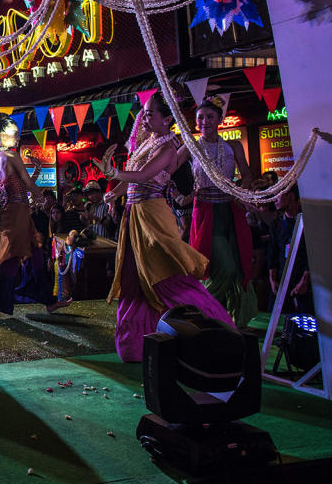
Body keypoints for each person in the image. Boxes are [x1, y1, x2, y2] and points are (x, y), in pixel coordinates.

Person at [94, 93, 233, 362]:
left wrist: (112, 174)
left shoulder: (168, 148)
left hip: (153, 216)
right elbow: (133, 175)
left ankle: (215, 329)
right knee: (136, 278)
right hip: (135, 216)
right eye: (144, 113)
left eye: (149, 114)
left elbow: (145, 176)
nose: (144, 118)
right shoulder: (149, 143)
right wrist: (114, 193)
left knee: (166, 276)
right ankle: (137, 343)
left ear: (167, 119)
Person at [0, 114, 71, 317]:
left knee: (34, 254)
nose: (17, 139)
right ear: (2, 136)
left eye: (17, 135)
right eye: (13, 135)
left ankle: (48, 301)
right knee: (9, 259)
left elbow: (20, 182)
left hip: (16, 211)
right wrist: (44, 200)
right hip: (16, 213)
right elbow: (26, 182)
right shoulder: (10, 156)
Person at [177, 96, 256, 327]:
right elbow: (169, 166)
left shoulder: (233, 146)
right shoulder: (192, 145)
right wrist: (173, 192)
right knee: (225, 268)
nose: (204, 121)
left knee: (238, 266)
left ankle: (232, 320)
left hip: (231, 210)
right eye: (200, 117)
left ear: (220, 119)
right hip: (206, 213)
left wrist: (242, 193)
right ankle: (197, 311)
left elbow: (247, 175)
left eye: (210, 117)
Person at [268, 186, 312, 313]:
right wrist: (272, 279)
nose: (275, 200)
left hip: (303, 278)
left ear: (291, 196)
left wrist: (305, 280)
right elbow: (273, 253)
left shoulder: (307, 222)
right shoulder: (276, 224)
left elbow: (312, 255)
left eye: (278, 195)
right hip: (282, 278)